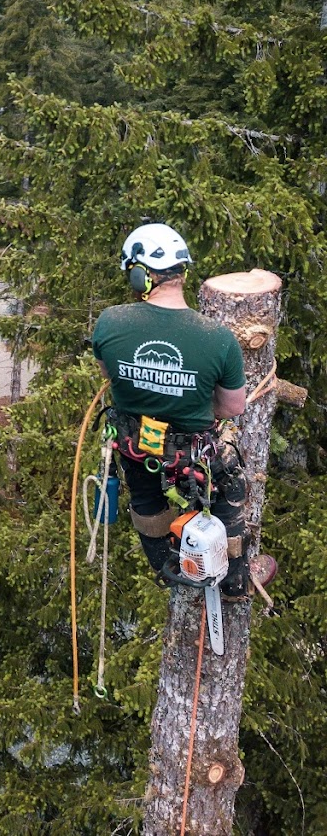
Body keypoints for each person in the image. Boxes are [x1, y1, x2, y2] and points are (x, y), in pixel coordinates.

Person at [91, 223, 276, 600]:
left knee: (145, 497)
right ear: (183, 273)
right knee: (229, 491)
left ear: (139, 275)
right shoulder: (217, 337)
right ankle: (235, 582)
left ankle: (165, 564)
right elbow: (233, 406)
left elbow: (112, 377)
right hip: (194, 452)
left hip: (134, 443)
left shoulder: (110, 322)